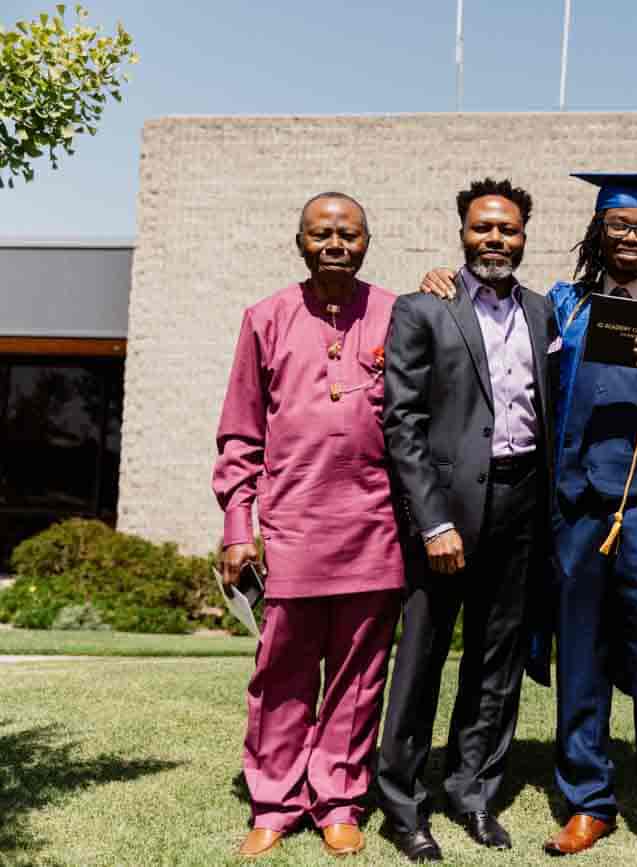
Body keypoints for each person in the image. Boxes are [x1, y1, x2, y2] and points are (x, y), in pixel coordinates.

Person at [420, 172, 637, 866]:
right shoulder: (563, 307)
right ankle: (587, 800)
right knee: (582, 659)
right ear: (598, 231)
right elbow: (493, 326)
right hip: (572, 510)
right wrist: (441, 283)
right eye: (619, 226)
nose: (631, 238)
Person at [212, 192, 404, 859]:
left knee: (357, 676)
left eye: (348, 233)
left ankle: (340, 798)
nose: (335, 243)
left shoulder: (395, 314)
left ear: (367, 241)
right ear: (299, 242)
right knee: (281, 672)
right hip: (291, 528)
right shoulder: (264, 317)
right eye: (321, 233)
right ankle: (274, 800)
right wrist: (240, 525)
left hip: (375, 526)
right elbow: (240, 435)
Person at [376, 178, 555, 862]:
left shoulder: (543, 313)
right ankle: (402, 803)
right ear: (462, 232)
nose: (496, 239)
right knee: (420, 660)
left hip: (522, 505)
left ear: (523, 237)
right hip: (446, 515)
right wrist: (432, 521)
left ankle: (473, 792)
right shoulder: (423, 308)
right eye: (484, 227)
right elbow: (404, 422)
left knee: (495, 662)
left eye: (508, 229)